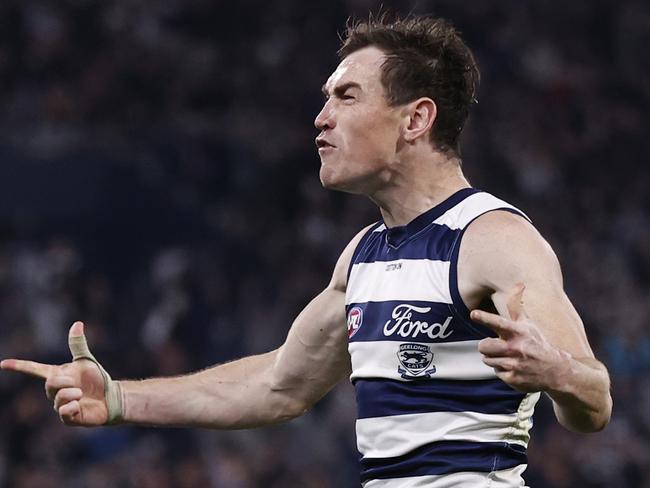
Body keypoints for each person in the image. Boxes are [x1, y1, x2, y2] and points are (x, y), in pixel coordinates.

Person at [1, 15, 612, 487]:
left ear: (416, 119)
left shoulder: (493, 238)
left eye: (346, 97)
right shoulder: (364, 257)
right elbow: (278, 385)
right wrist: (120, 398)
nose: (321, 119)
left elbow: (595, 402)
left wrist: (558, 374)